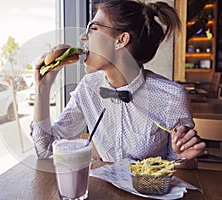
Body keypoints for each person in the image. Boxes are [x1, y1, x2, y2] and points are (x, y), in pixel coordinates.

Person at [30, 0, 206, 168]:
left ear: (121, 40)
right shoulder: (88, 88)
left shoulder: (171, 97)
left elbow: (184, 167)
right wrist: (42, 90)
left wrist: (184, 157)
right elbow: (45, 150)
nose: (83, 37)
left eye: (93, 28)